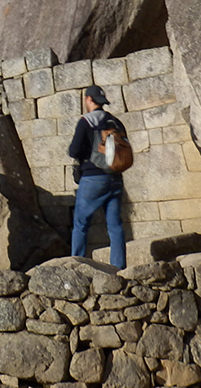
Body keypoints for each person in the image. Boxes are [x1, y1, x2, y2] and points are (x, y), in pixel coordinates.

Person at [68, 85, 129, 268]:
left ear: (88, 99)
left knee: (80, 224)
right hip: (115, 177)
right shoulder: (115, 122)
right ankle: (119, 268)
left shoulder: (86, 121)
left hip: (93, 178)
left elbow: (73, 150)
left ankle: (76, 265)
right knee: (115, 226)